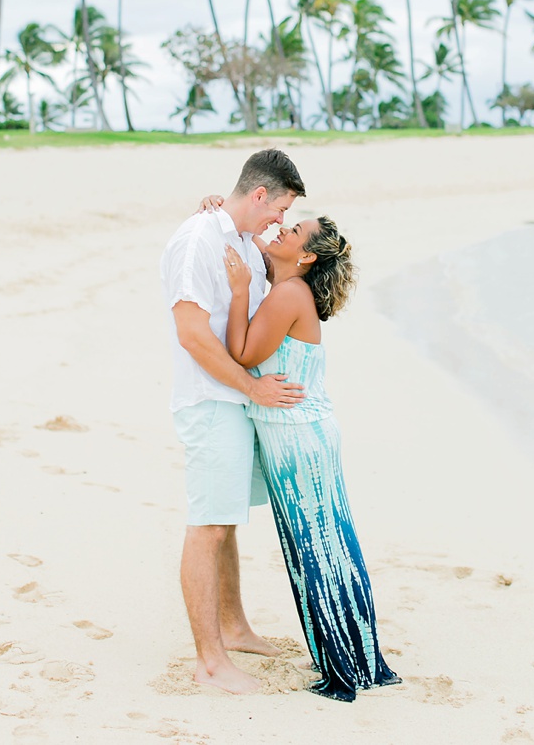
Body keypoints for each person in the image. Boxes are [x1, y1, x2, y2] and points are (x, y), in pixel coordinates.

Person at [222, 215, 399, 702]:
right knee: (326, 545)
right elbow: (247, 231)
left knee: (319, 549)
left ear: (305, 257)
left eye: (293, 231)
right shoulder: (287, 282)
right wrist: (218, 206)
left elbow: (240, 353)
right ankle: (357, 658)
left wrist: (239, 291)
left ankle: (345, 667)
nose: (281, 232)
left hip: (299, 439)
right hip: (300, 434)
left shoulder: (288, 294)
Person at [160, 149, 309, 695]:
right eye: (281, 208)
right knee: (209, 524)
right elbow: (193, 333)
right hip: (211, 400)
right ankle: (210, 662)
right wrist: (252, 388)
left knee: (226, 519)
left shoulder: (241, 237)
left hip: (236, 402)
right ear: (261, 194)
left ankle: (234, 627)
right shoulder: (199, 240)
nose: (281, 221)